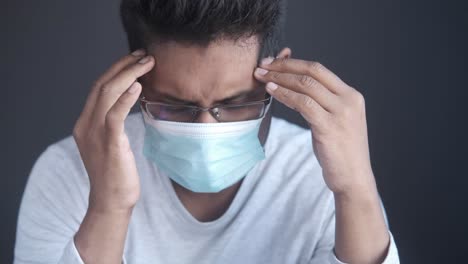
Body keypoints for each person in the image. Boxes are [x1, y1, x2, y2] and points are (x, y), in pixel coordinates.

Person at [14, 0, 400, 263]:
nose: (204, 130)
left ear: (276, 75)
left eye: (234, 104)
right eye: (175, 106)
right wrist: (108, 208)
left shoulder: (323, 175)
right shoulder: (68, 173)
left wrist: (356, 191)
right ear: (136, 82)